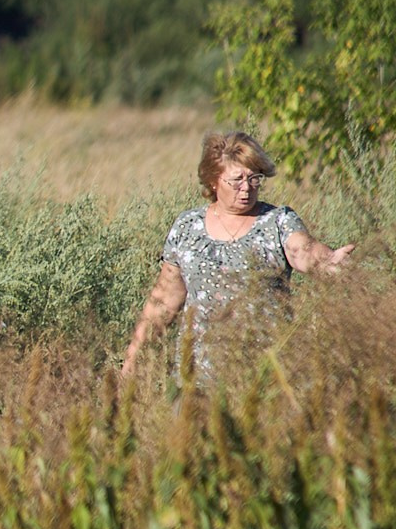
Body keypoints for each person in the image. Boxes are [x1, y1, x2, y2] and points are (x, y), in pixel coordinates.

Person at [120, 131, 353, 379]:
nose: (246, 188)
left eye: (254, 179)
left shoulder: (277, 221)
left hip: (266, 377)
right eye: (237, 180)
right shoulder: (187, 226)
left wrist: (327, 262)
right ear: (213, 180)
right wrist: (133, 360)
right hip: (198, 378)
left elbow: (303, 250)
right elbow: (165, 299)